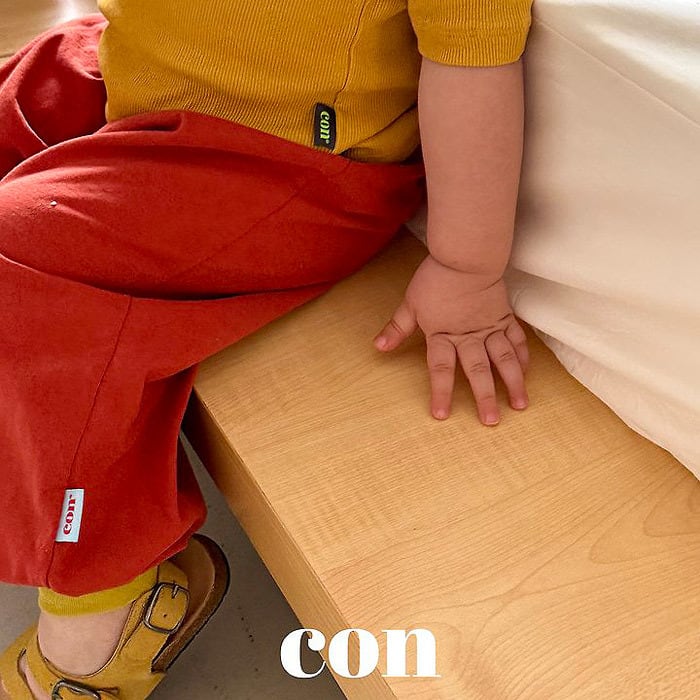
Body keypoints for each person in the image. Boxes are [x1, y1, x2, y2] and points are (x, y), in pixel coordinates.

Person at [0, 1, 532, 698]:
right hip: (144, 69)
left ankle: (106, 600)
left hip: (281, 156)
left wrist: (466, 267)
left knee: (18, 278)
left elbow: (473, 56)